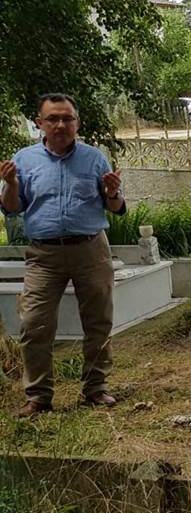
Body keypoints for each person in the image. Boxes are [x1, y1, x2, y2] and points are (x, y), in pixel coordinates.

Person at [0, 93, 126, 416]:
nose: (60, 125)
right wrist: (11, 183)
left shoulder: (94, 159)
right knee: (34, 323)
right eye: (52, 119)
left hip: (91, 249)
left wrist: (112, 193)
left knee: (98, 321)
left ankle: (96, 387)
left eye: (67, 119)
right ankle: (38, 396)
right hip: (43, 254)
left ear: (77, 123)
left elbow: (115, 206)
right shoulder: (24, 159)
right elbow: (12, 208)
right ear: (39, 123)